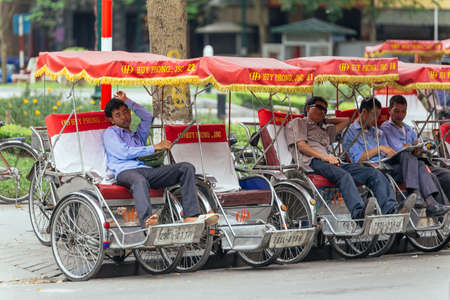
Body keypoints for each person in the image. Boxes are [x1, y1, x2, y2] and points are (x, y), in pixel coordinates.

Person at [103, 91, 218, 229]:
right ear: (112, 120)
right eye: (118, 115)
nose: (124, 117)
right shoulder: (110, 133)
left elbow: (147, 117)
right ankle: (147, 223)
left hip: (146, 170)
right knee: (140, 180)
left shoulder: (136, 135)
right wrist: (154, 147)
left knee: (186, 168)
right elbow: (123, 152)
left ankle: (191, 216)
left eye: (125, 112)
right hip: (125, 171)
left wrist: (127, 100)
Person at [285, 96, 407, 220]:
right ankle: (358, 213)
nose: (322, 111)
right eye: (319, 107)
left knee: (372, 173)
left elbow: (346, 121)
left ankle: (390, 209)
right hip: (312, 161)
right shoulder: (298, 122)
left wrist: (325, 120)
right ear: (307, 108)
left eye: (325, 110)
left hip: (331, 162)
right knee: (344, 176)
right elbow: (301, 146)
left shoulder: (324, 130)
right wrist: (324, 157)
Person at [343, 96, 449, 217]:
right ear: (364, 112)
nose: (376, 119)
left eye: (378, 115)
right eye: (374, 115)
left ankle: (429, 202)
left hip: (390, 166)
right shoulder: (350, 133)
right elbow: (357, 159)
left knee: (418, 163)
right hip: (371, 170)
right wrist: (379, 148)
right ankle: (416, 194)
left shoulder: (377, 132)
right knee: (408, 156)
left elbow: (391, 152)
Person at [380, 95, 450, 206]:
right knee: (425, 171)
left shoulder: (408, 128)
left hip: (418, 163)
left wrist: (417, 149)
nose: (400, 115)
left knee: (446, 175)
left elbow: (416, 144)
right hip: (399, 166)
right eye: (396, 111)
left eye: (403, 112)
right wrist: (411, 147)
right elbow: (399, 149)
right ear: (389, 111)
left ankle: (442, 208)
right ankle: (417, 193)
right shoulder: (385, 128)